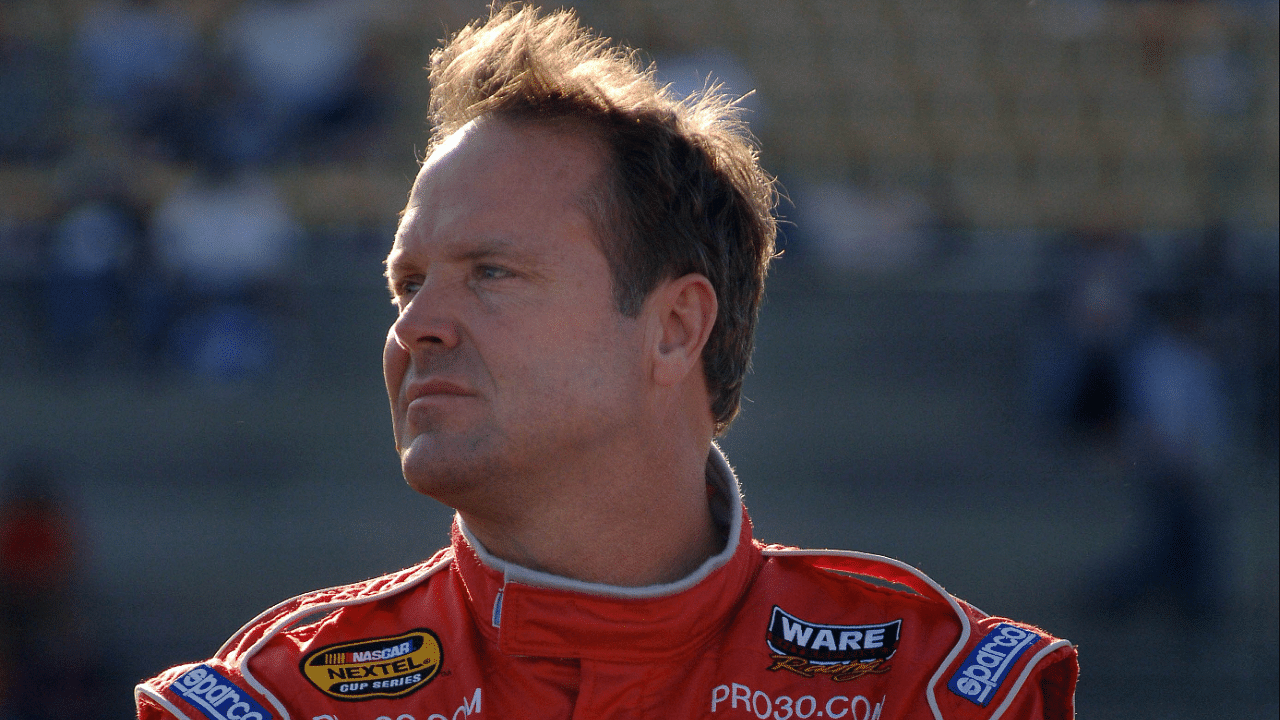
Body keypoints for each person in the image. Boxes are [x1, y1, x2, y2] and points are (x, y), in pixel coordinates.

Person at [135, 5, 1078, 718]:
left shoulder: (927, 684)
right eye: (406, 283)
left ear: (674, 328)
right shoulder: (282, 698)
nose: (416, 325)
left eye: (491, 273)